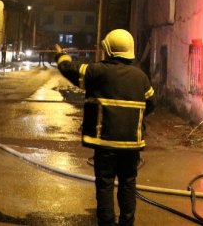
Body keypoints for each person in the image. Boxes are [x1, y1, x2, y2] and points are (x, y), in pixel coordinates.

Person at [56, 29, 155, 226]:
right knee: (128, 184)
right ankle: (127, 223)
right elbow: (151, 105)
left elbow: (69, 69)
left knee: (105, 185)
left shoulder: (96, 72)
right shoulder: (141, 77)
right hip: (131, 145)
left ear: (108, 50)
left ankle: (106, 223)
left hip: (105, 143)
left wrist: (61, 55)